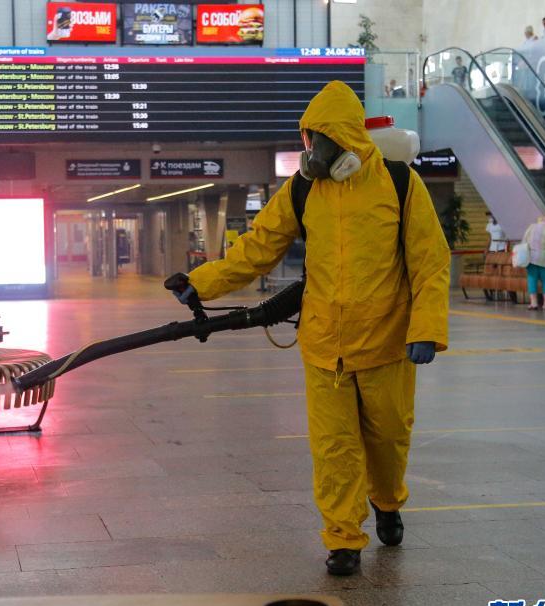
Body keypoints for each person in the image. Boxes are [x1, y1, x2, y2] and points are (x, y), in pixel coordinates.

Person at [167, 81, 450, 577]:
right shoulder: (301, 190)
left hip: (386, 343)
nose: (313, 149)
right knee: (333, 447)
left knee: (388, 438)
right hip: (324, 347)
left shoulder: (399, 183)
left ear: (347, 139)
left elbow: (431, 261)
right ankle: (343, 538)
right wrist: (200, 284)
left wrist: (425, 328)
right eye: (308, 137)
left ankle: (387, 501)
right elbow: (257, 248)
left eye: (321, 138)